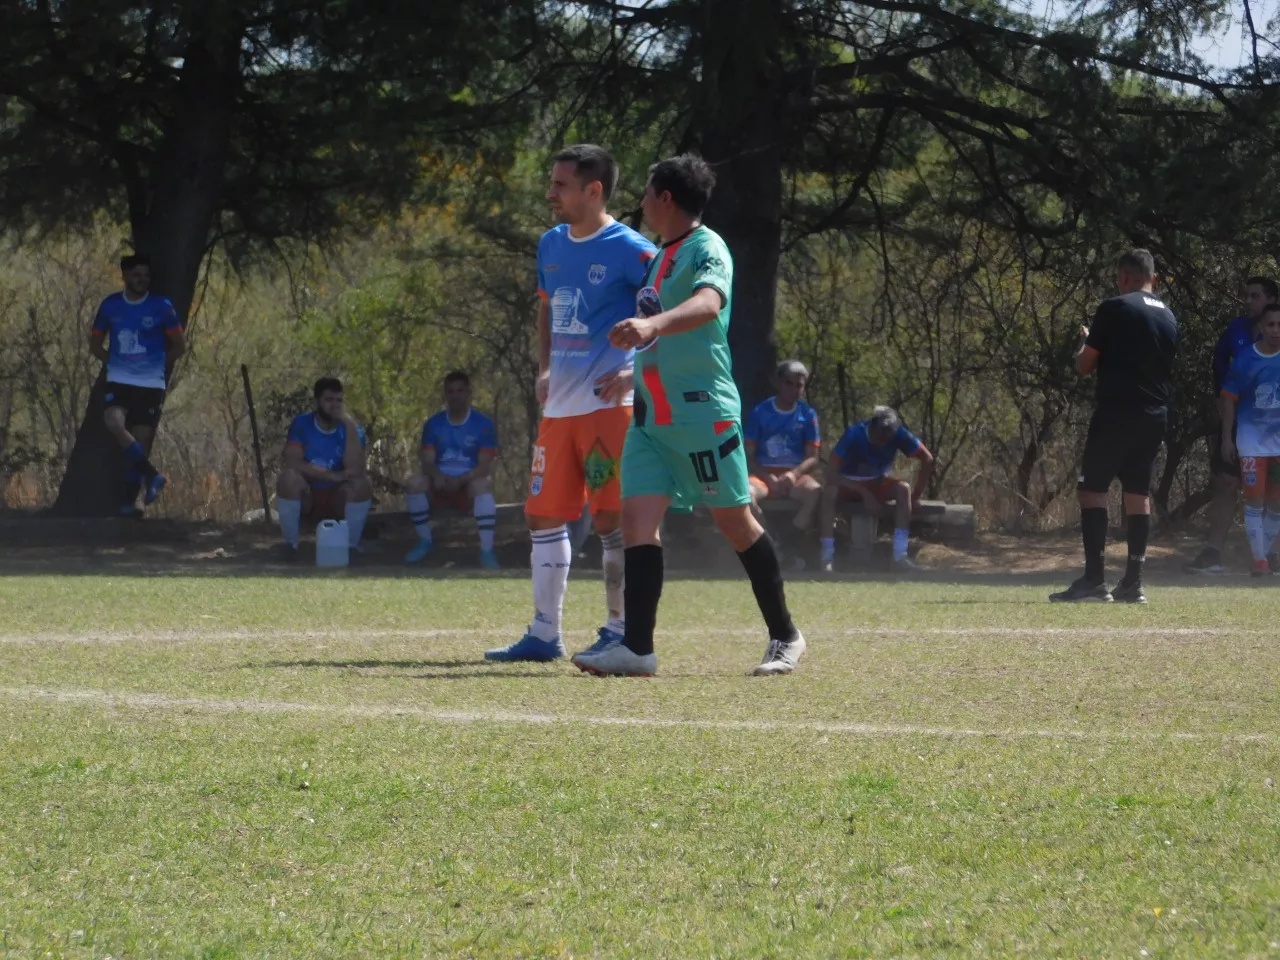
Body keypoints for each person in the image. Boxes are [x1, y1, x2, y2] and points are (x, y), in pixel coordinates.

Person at [574, 152, 806, 678]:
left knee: (734, 523)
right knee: (637, 522)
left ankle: (786, 636)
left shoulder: (708, 247)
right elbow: (671, 333)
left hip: (703, 415)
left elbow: (707, 303)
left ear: (666, 198)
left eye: (646, 193)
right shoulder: (660, 256)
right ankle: (637, 648)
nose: (641, 203)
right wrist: (635, 374)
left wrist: (651, 328)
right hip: (653, 419)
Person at [485, 144, 658, 663]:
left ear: (594, 190)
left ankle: (619, 627)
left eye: (560, 185)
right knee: (542, 515)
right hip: (559, 409)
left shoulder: (634, 250)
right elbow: (546, 312)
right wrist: (543, 367)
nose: (550, 193)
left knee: (612, 520)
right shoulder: (551, 244)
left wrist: (634, 374)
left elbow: (667, 320)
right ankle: (544, 634)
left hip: (609, 410)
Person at [1050, 249, 1178, 603]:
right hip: (1154, 415)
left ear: (1124, 276)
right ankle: (1133, 584)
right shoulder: (1169, 316)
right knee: (1138, 497)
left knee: (1092, 491)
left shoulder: (1114, 307)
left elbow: (1084, 365)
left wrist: (1088, 340)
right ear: (1153, 277)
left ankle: (1093, 580)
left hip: (1117, 412)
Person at [1186, 276, 1279, 574]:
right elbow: (1219, 365)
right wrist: (1222, 402)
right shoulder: (1236, 328)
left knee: (1274, 493)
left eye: (1255, 296)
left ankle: (1269, 555)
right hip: (1239, 423)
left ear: (1271, 299)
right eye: (1246, 296)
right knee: (1226, 483)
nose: (1247, 301)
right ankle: (1214, 552)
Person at [89, 253, 186, 514]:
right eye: (136, 275)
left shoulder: (162, 306)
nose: (142, 280)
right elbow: (95, 343)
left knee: (141, 443)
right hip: (120, 379)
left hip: (150, 384)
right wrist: (113, 362)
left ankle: (129, 505)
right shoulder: (110, 305)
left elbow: (179, 345)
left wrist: (158, 366)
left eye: (146, 275)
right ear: (125, 276)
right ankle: (153, 475)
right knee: (113, 421)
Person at [817, 406, 934, 573]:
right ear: (872, 426)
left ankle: (899, 556)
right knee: (829, 493)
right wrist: (863, 493)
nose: (883, 440)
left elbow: (927, 458)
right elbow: (830, 474)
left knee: (903, 490)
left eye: (888, 436)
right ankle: (827, 556)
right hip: (848, 482)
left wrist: (916, 495)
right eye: (880, 434)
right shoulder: (854, 434)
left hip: (878, 481)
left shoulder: (898, 434)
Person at [404, 371, 500, 568]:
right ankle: (425, 541)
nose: (455, 396)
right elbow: (427, 461)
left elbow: (484, 467)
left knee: (485, 484)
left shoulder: (483, 424)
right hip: (440, 484)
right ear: (445, 395)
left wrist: (462, 479)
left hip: (468, 485)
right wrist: (437, 475)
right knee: (414, 483)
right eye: (450, 391)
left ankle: (487, 551)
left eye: (460, 390)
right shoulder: (433, 424)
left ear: (468, 393)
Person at [275, 377, 373, 555]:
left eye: (339, 400)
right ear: (317, 402)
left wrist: (349, 423)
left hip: (338, 498)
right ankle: (290, 545)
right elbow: (293, 461)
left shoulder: (352, 429)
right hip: (309, 496)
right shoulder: (302, 424)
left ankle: (351, 547)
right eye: (329, 400)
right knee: (288, 478)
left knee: (361, 485)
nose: (334, 405)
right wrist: (331, 476)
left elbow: (355, 469)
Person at [1220, 302, 1280, 576]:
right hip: (1252, 443)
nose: (1276, 330)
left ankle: (1263, 555)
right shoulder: (1246, 360)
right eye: (1271, 324)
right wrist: (1227, 439)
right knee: (1255, 502)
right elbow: (1228, 398)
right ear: (1261, 327)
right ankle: (1260, 562)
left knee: (1276, 505)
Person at [745, 360, 823, 537]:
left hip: (794, 476)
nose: (793, 390)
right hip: (763, 477)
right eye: (789, 383)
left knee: (815, 492)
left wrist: (793, 474)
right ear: (779, 383)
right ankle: (766, 539)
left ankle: (790, 541)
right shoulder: (760, 412)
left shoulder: (808, 414)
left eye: (799, 385)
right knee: (745, 495)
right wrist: (767, 477)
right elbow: (748, 456)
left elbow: (813, 457)